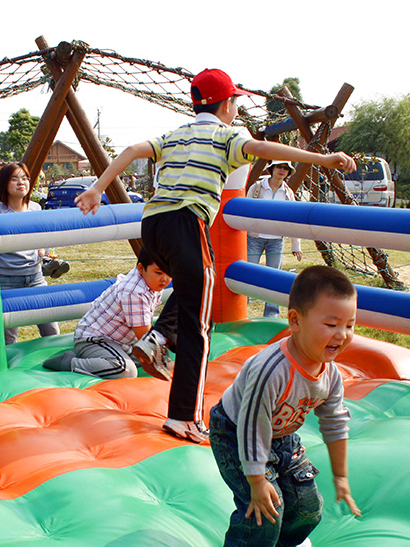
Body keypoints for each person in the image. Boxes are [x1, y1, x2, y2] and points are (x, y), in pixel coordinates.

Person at [75, 68, 356, 443]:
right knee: (198, 326)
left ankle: (156, 340)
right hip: (186, 222)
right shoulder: (228, 136)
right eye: (235, 102)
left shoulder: (176, 134)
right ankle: (184, 417)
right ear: (227, 104)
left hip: (153, 226)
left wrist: (98, 188)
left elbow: (131, 150)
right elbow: (262, 150)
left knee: (192, 294)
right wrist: (321, 160)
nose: (236, 109)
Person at [209, 265, 362, 547]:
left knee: (309, 505)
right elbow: (252, 425)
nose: (342, 334)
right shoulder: (272, 370)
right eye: (331, 324)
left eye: (350, 325)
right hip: (236, 432)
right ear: (295, 321)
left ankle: (288, 538)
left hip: (281, 436)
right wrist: (257, 479)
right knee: (265, 506)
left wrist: (341, 475)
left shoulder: (330, 374)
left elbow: (334, 422)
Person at [43, 247, 171, 378]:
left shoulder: (151, 282)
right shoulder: (134, 292)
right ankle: (69, 362)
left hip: (120, 342)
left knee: (145, 358)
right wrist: (165, 363)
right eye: (159, 272)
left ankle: (113, 358)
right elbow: (144, 336)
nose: (165, 279)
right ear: (141, 268)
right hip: (93, 340)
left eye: (169, 272)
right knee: (126, 371)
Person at [0, 162, 60, 344]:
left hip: (35, 276)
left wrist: (45, 252)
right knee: (7, 334)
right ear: (4, 184)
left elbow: (44, 239)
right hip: (7, 279)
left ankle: (58, 357)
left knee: (51, 327)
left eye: (24, 178)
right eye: (14, 179)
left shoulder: (36, 209)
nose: (20, 182)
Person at [247, 160, 303, 318]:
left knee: (274, 278)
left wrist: (295, 245)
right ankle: (240, 311)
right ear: (272, 169)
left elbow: (294, 220)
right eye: (280, 167)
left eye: (286, 168)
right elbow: (244, 212)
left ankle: (271, 316)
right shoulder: (257, 187)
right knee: (248, 275)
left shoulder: (288, 193)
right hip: (254, 238)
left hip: (276, 241)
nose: (282, 170)